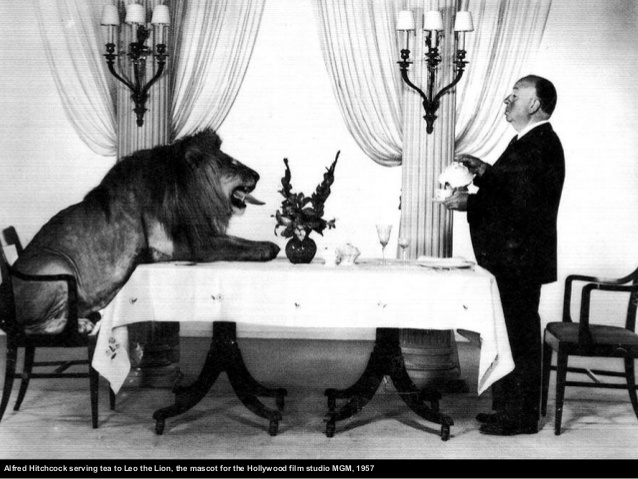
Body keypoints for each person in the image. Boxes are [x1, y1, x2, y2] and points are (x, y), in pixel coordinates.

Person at [444, 75, 565, 436]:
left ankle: (521, 417)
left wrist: (470, 202)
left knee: (518, 334)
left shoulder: (540, 143)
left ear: (534, 104)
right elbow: (511, 187)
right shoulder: (528, 141)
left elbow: (521, 204)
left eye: (515, 96)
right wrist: (484, 170)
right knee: (510, 333)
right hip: (516, 259)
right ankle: (507, 409)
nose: (507, 101)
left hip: (520, 261)